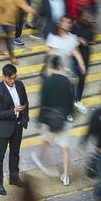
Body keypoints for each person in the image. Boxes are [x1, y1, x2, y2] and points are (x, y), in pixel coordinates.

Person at [32, 55, 74, 185]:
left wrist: (40, 120)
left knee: (46, 138)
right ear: (60, 66)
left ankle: (40, 158)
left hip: (50, 119)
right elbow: (70, 100)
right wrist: (69, 115)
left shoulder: (47, 82)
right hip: (63, 119)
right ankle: (66, 176)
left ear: (50, 66)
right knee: (65, 148)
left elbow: (43, 102)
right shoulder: (66, 81)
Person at [0, 64, 29, 195]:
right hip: (4, 128)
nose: (13, 81)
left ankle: (14, 178)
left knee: (15, 154)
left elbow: (25, 102)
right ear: (4, 77)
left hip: (18, 126)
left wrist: (25, 118)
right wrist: (14, 111)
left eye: (14, 77)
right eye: (10, 79)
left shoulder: (20, 85)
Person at [45, 15, 86, 116]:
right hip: (55, 70)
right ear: (60, 23)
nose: (68, 25)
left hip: (67, 70)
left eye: (70, 23)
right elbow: (48, 52)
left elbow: (76, 52)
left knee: (70, 92)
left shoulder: (72, 38)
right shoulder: (52, 37)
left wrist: (81, 63)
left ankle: (69, 111)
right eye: (66, 22)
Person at [72, 10, 94, 114]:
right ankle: (71, 103)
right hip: (74, 59)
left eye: (88, 16)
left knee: (81, 81)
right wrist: (78, 39)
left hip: (85, 58)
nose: (88, 18)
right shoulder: (74, 27)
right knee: (72, 81)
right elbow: (70, 40)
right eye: (86, 16)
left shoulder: (89, 27)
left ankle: (78, 101)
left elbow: (90, 40)